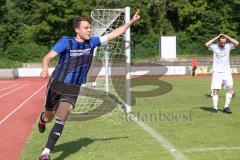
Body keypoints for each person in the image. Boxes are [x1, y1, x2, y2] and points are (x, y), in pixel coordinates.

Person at [38, 10, 140, 160]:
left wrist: (130, 22)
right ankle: (42, 120)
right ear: (77, 29)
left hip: (73, 87)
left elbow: (114, 34)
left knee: (62, 117)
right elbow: (48, 57)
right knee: (48, 117)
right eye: (86, 28)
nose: (89, 30)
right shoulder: (66, 41)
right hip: (56, 83)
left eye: (90, 27)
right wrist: (45, 68)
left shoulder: (92, 42)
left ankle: (45, 153)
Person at [205, 34, 239, 113]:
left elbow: (237, 43)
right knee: (216, 91)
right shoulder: (214, 46)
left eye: (224, 41)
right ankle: (215, 108)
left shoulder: (228, 46)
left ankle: (226, 107)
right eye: (221, 42)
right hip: (217, 72)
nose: (223, 43)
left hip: (227, 72)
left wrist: (226, 36)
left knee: (230, 88)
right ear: (219, 41)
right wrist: (217, 37)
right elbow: (206, 44)